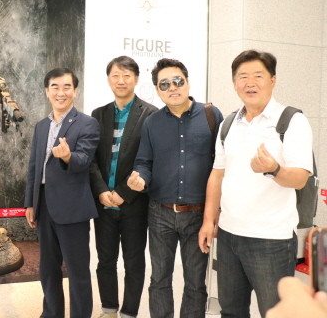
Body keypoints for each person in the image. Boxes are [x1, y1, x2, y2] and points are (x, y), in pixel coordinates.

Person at [198, 49, 313, 317]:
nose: (250, 83)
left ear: (273, 80)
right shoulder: (228, 124)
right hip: (229, 235)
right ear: (234, 83)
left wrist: (273, 169)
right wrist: (208, 220)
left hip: (271, 240)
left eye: (258, 76)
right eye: (242, 77)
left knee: (275, 312)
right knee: (231, 311)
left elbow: (300, 178)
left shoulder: (292, 121)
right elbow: (217, 174)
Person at [128, 58, 222, 318]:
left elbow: (222, 165)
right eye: (164, 84)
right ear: (158, 90)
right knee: (159, 279)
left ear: (187, 82)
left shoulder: (211, 116)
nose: (172, 88)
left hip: (199, 214)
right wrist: (140, 177)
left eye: (178, 81)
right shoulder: (152, 123)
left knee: (195, 282)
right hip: (160, 213)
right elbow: (144, 162)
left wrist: (215, 213)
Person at [24, 67, 100, 318]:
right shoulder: (41, 126)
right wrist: (30, 203)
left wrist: (68, 156)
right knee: (48, 270)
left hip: (73, 208)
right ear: (47, 91)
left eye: (67, 87)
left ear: (75, 91)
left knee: (78, 273)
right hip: (44, 206)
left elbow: (84, 160)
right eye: (55, 87)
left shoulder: (87, 123)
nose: (61, 92)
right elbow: (34, 167)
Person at [90, 56, 158, 318]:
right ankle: (109, 309)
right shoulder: (98, 114)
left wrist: (123, 193)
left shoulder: (150, 114)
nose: (121, 80)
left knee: (134, 262)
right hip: (104, 203)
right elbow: (92, 160)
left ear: (136, 79)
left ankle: (129, 312)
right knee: (105, 260)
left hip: (134, 204)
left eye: (127, 75)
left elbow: (149, 160)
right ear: (108, 79)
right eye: (116, 75)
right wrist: (101, 191)